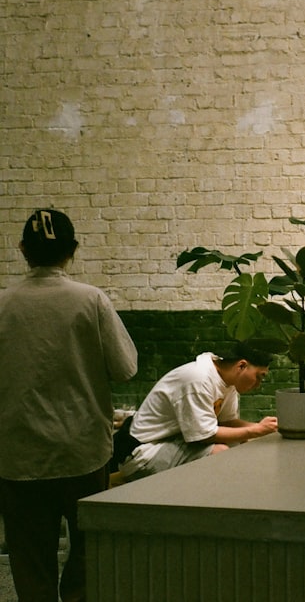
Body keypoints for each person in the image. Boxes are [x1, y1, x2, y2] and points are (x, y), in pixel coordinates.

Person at [0, 208, 139, 602]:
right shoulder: (91, 301)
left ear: (24, 250)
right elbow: (126, 368)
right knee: (86, 555)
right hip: (84, 454)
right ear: (72, 250)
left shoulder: (2, 304)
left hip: (18, 457)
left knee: (31, 562)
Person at [119, 343, 278, 481]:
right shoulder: (198, 379)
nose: (259, 384)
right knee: (220, 452)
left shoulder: (227, 382)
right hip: (143, 454)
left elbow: (226, 422)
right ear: (241, 366)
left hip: (173, 441)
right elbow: (204, 436)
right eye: (259, 376)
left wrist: (265, 430)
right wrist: (255, 430)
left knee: (243, 442)